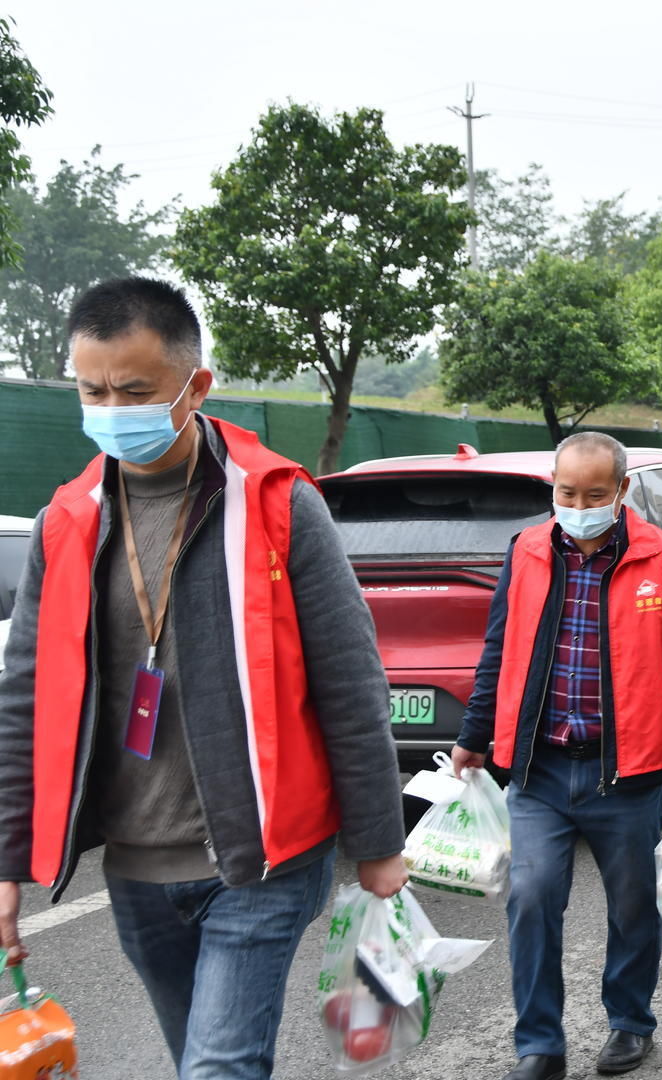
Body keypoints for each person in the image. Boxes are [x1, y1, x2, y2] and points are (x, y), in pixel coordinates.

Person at [0, 278, 407, 1080]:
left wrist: (378, 842)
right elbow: (23, 700)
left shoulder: (278, 507)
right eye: (92, 390)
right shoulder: (67, 521)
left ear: (195, 387)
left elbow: (350, 681)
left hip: (262, 859)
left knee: (219, 1067)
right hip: (134, 869)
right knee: (200, 1061)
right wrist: (7, 859)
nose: (111, 407)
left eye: (135, 390)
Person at [451, 432, 662, 1080]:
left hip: (628, 774)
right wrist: (472, 734)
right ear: (554, 487)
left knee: (633, 906)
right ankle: (539, 1043)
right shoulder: (525, 553)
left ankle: (630, 1024)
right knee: (531, 895)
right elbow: (498, 651)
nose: (579, 506)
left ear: (621, 492)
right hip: (540, 771)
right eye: (566, 493)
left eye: (594, 494)